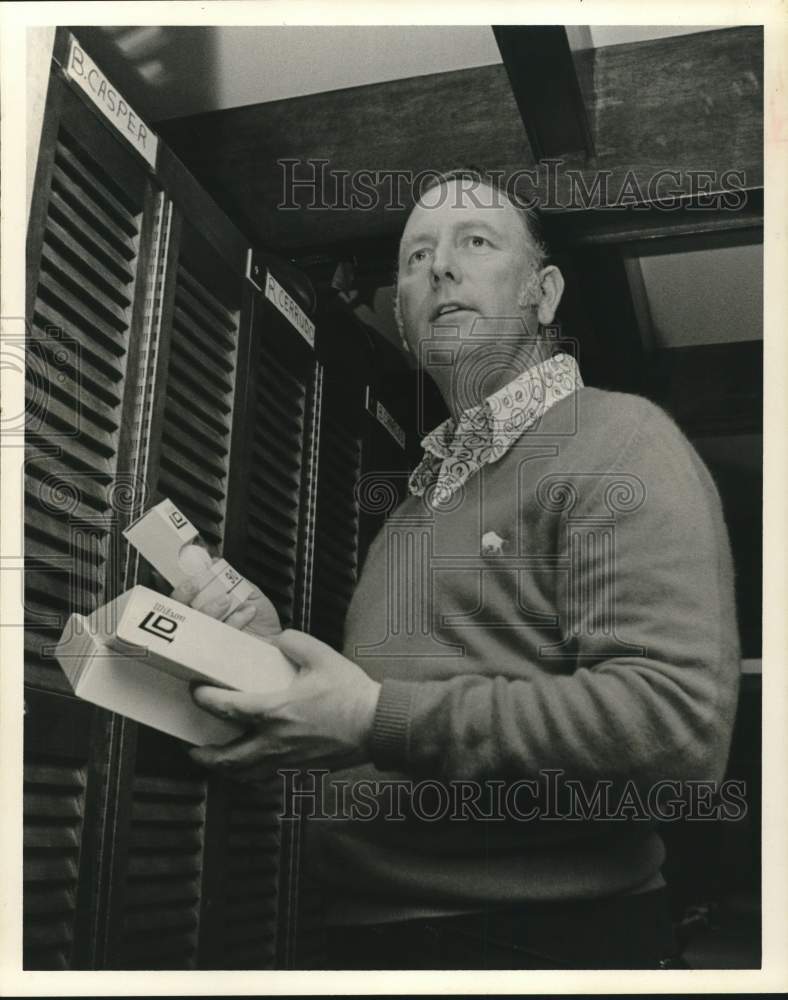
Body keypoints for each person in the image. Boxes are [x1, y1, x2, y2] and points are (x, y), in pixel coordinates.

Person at [176, 168, 741, 969]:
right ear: (405, 324)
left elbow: (674, 729)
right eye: (415, 258)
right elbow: (380, 724)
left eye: (475, 242)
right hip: (352, 937)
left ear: (544, 295)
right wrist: (270, 665)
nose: (439, 267)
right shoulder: (410, 510)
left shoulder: (621, 438)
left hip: (544, 945)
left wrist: (372, 716)